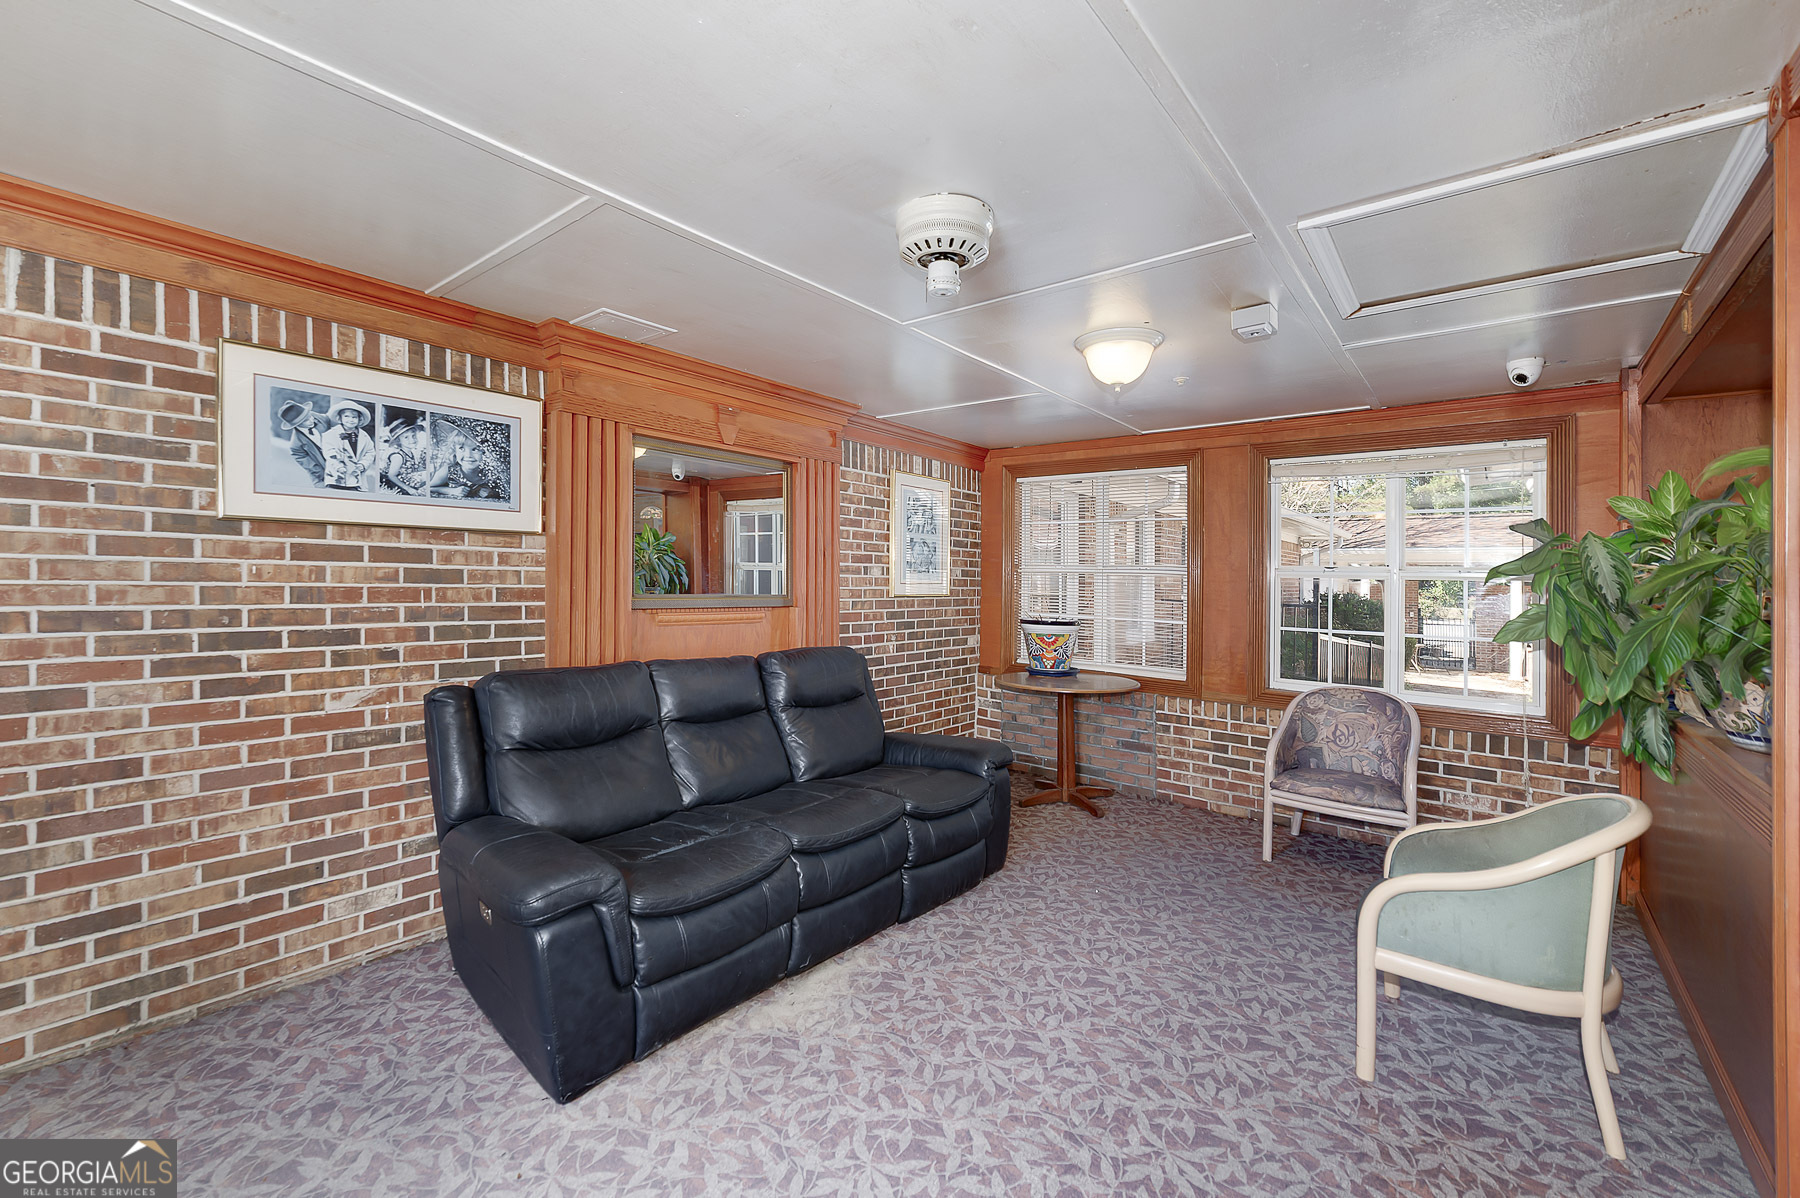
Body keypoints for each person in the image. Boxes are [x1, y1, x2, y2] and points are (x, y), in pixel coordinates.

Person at [320, 400, 374, 490]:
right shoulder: (330, 434)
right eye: (346, 416)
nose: (350, 420)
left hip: (356, 479)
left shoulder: (364, 437)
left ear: (359, 419)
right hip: (336, 477)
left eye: (354, 417)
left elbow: (370, 452)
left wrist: (363, 464)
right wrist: (338, 466)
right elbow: (329, 452)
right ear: (340, 418)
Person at [277, 398, 327, 486]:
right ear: (297, 424)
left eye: (310, 416)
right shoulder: (295, 444)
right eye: (306, 420)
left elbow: (329, 419)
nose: (311, 420)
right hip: (321, 475)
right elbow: (305, 461)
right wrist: (322, 473)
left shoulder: (316, 417)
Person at [380, 418, 430, 497]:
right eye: (406, 437)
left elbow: (411, 468)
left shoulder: (410, 453)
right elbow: (391, 476)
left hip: (410, 479)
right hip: (400, 485)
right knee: (427, 475)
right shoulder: (398, 456)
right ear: (398, 441)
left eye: (413, 435)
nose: (412, 439)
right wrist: (408, 489)